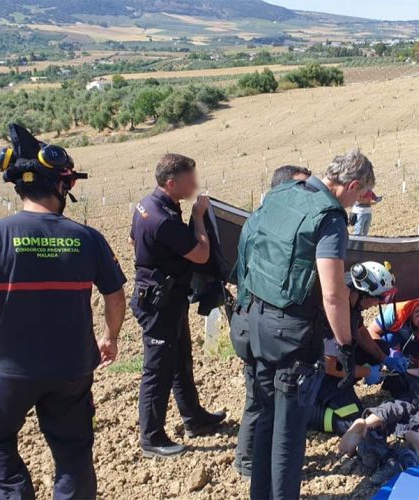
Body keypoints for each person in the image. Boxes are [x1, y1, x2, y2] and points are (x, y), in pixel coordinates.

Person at [0, 124, 127, 499]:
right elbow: (115, 297)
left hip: (9, 372)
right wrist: (109, 338)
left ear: (18, 186)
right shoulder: (88, 238)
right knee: (73, 453)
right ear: (61, 186)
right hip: (73, 370)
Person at [240, 149, 375, 499]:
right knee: (289, 432)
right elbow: (333, 294)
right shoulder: (330, 217)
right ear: (353, 185)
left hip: (257, 321)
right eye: (359, 197)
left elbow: (253, 244)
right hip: (293, 335)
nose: (356, 204)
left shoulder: (283, 193)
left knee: (267, 419)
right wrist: (346, 345)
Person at [130, 153, 225, 459]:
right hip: (160, 303)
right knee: (157, 369)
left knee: (180, 359)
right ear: (171, 183)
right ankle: (152, 436)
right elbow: (199, 254)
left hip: (168, 297)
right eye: (190, 179)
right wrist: (198, 217)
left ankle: (193, 418)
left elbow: (135, 239)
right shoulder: (163, 218)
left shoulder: (149, 205)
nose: (195, 184)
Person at [232, 164, 313, 480]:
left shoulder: (263, 219)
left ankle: (256, 459)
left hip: (253, 320)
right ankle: (250, 462)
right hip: (258, 321)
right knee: (259, 399)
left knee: (261, 397)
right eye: (301, 188)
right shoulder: (268, 224)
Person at [308, 261, 403, 436]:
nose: (377, 304)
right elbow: (330, 366)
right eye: (377, 298)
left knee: (378, 348)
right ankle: (308, 413)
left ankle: (344, 386)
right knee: (352, 422)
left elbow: (360, 332)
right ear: (362, 293)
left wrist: (384, 358)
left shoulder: (351, 300)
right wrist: (366, 372)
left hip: (336, 363)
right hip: (317, 373)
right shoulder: (334, 310)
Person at [364, 299, 419, 369]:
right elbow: (371, 331)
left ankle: (409, 360)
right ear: (417, 312)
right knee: (387, 338)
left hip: (415, 341)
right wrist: (386, 358)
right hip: (396, 337)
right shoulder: (396, 310)